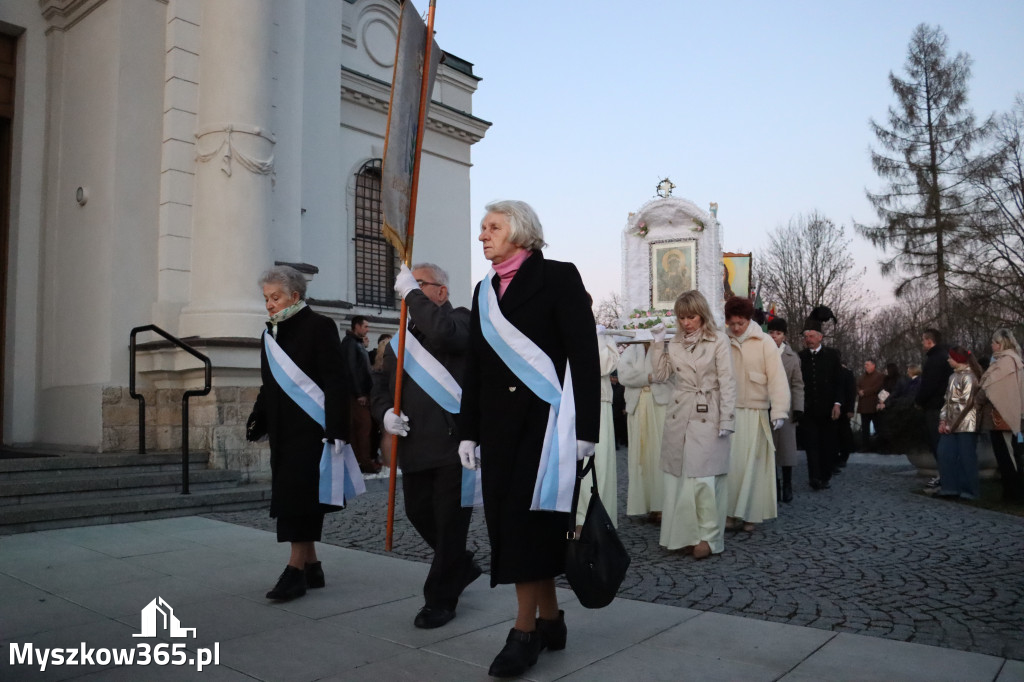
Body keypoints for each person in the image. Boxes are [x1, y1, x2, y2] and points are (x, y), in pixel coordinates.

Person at [458, 200, 600, 678]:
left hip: (547, 428)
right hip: (499, 431)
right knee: (511, 524)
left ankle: (525, 633)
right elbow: (475, 366)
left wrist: (587, 431)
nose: (483, 236)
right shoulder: (483, 290)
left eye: (492, 227)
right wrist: (468, 430)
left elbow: (583, 355)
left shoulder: (558, 276)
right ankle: (552, 619)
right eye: (482, 228)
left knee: (525, 527)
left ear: (520, 232)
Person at [371, 262, 480, 629]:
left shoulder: (462, 319)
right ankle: (459, 566)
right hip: (416, 446)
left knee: (450, 526)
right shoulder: (401, 338)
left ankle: (440, 599)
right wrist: (385, 413)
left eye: (418, 286)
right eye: (407, 286)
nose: (408, 292)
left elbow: (445, 336)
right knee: (419, 513)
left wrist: (412, 295)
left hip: (455, 446)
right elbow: (381, 386)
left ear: (441, 292)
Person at [246, 265, 349, 601]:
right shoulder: (270, 334)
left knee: (298, 501)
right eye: (266, 298)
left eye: (275, 297)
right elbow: (269, 384)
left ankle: (295, 571)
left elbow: (336, 380)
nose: (269, 304)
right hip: (282, 430)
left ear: (294, 295)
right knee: (296, 498)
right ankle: (312, 566)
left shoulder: (320, 326)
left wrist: (337, 428)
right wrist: (257, 419)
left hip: (312, 429)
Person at [650, 290, 736, 560]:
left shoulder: (718, 340)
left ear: (702, 314)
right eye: (681, 317)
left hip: (708, 411)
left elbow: (728, 382)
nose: (686, 322)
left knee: (704, 479)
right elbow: (661, 375)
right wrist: (656, 343)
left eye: (691, 317)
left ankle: (709, 537)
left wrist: (727, 419)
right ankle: (686, 534)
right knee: (681, 480)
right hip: (680, 412)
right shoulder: (674, 343)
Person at [722, 296, 788, 531]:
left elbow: (777, 377)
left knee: (753, 465)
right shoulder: (722, 339)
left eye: (740, 323)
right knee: (729, 465)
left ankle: (750, 514)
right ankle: (728, 512)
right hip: (729, 411)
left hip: (756, 409)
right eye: (732, 323)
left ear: (749, 320)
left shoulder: (764, 341)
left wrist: (779, 410)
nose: (737, 328)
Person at [618, 341, 669, 521]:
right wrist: (648, 377)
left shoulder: (667, 346)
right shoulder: (633, 349)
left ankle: (662, 505)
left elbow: (667, 374)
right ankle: (645, 504)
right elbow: (623, 375)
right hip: (638, 406)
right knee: (640, 456)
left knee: (660, 454)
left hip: (660, 406)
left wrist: (648, 376)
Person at [576, 325, 620, 528]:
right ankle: (581, 519)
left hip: (597, 401)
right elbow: (601, 364)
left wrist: (602, 339)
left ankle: (596, 519)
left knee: (599, 463)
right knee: (586, 464)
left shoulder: (599, 333)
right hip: (582, 402)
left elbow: (604, 365)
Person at [798, 307, 843, 490]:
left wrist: (838, 403)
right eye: (806, 336)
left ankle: (825, 475)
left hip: (828, 408)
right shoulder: (800, 357)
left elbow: (839, 381)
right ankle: (814, 477)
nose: (808, 340)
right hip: (808, 409)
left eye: (811, 336)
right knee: (811, 445)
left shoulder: (832, 356)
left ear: (820, 337)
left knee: (826, 443)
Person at [978, 329, 1024, 503]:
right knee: (1010, 454)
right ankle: (1012, 491)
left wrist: (978, 398)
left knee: (1008, 456)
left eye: (993, 342)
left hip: (1004, 415)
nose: (991, 345)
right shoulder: (1014, 360)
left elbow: (990, 386)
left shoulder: (1006, 362)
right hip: (1008, 414)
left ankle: (1014, 493)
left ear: (1000, 344)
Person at [934, 347, 983, 500]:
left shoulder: (969, 377)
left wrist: (951, 425)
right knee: (945, 453)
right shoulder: (953, 376)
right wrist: (943, 420)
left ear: (958, 359)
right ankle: (950, 487)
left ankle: (968, 490)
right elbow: (947, 400)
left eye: (950, 357)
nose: (948, 360)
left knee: (965, 456)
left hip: (966, 423)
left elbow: (965, 404)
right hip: (950, 423)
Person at [767, 318, 804, 503]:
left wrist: (798, 407)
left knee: (787, 450)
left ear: (784, 336)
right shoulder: (762, 352)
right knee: (768, 450)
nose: (774, 336)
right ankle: (773, 485)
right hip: (765, 405)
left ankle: (787, 484)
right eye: (771, 332)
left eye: (778, 333)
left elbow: (797, 384)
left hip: (786, 407)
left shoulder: (792, 357)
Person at [342, 315, 379, 473]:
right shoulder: (350, 344)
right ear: (356, 326)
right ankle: (364, 462)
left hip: (361, 393)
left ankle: (361, 461)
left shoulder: (357, 343)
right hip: (357, 395)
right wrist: (359, 394)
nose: (367, 329)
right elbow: (351, 370)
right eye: (365, 326)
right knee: (363, 428)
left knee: (362, 428)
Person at [917, 328, 953, 486]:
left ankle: (945, 476)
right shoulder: (942, 356)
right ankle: (946, 475)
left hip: (935, 406)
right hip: (940, 404)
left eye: (923, 339)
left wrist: (919, 400)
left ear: (929, 341)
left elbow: (929, 385)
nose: (922, 342)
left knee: (938, 442)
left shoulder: (935, 359)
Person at [856, 360, 885, 451]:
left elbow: (876, 388)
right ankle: (865, 446)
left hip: (874, 405)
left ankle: (880, 447)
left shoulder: (879, 376)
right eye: (865, 364)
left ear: (873, 365)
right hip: (863, 406)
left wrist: (864, 392)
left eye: (867, 365)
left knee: (878, 427)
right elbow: (857, 385)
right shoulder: (862, 376)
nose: (865, 366)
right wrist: (859, 391)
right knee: (865, 429)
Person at [610, 371, 628, 447]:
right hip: (612, 409)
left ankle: (624, 441)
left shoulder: (621, 387)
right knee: (613, 428)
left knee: (621, 427)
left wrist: (624, 408)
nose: (614, 379)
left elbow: (624, 398)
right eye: (612, 377)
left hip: (620, 410)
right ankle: (615, 443)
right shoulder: (609, 386)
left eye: (615, 378)